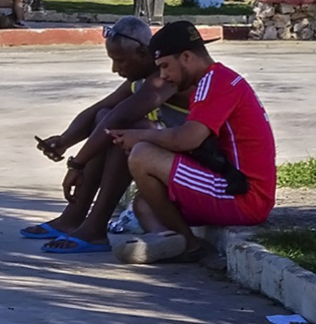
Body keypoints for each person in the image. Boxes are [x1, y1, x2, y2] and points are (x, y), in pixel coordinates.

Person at [109, 21, 277, 264]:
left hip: (244, 196)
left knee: (142, 155)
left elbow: (187, 139)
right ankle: (165, 238)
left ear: (186, 57)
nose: (163, 76)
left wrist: (139, 136)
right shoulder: (217, 79)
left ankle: (188, 244)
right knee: (144, 205)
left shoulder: (215, 82)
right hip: (235, 184)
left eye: (165, 66)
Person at [24, 18, 192, 254]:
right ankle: (75, 216)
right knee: (104, 116)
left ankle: (95, 227)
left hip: (189, 161)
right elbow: (99, 110)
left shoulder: (164, 77)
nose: (115, 69)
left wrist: (77, 164)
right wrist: (64, 141)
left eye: (120, 60)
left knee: (129, 129)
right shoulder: (139, 80)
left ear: (143, 53)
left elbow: (120, 118)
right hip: (164, 156)